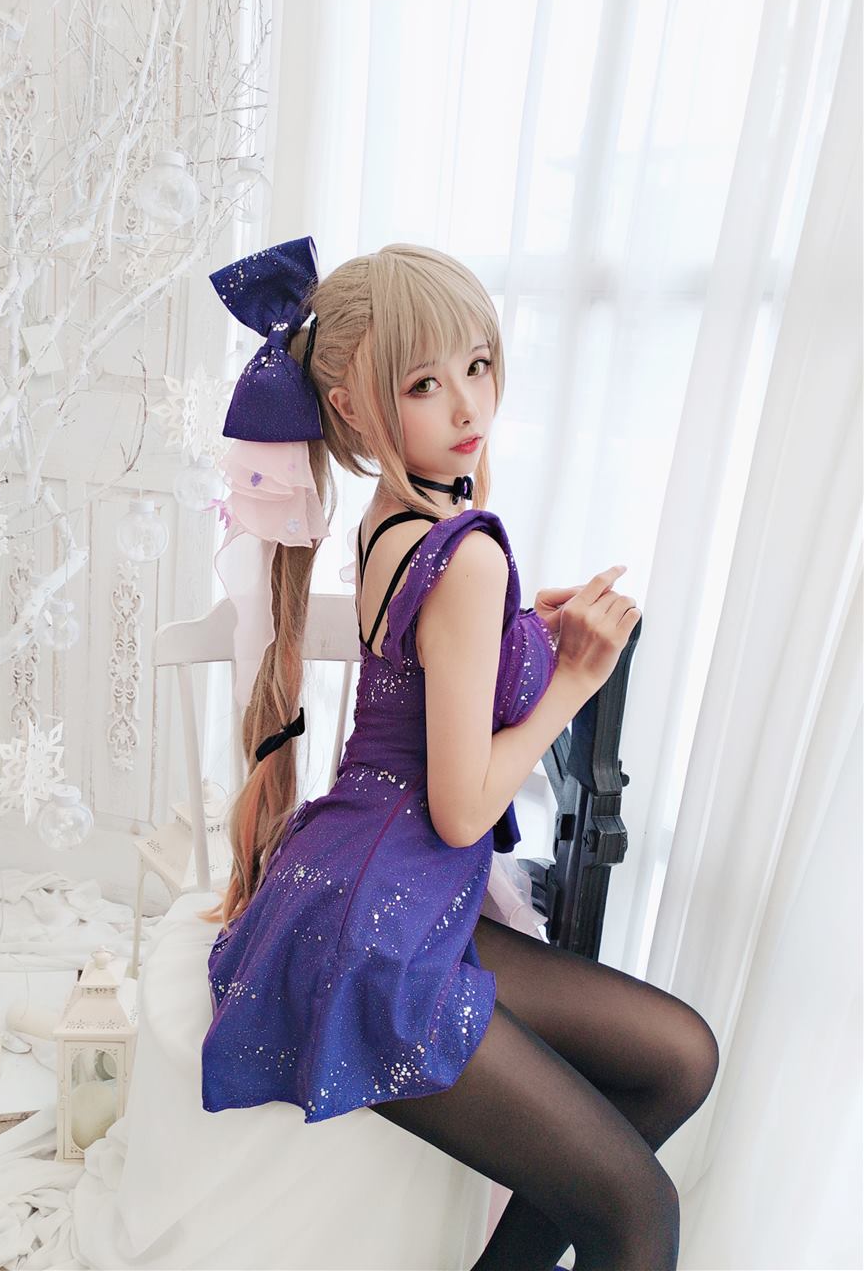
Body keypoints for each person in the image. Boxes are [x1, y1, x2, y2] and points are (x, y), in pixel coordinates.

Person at [197, 237, 720, 1271]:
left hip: (371, 889)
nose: (468, 403)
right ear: (351, 408)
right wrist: (573, 678)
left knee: (678, 1058)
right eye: (425, 384)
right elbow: (463, 808)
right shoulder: (464, 549)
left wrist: (521, 631)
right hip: (377, 930)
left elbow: (433, 661)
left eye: (477, 364)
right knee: (639, 1213)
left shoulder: (400, 515)